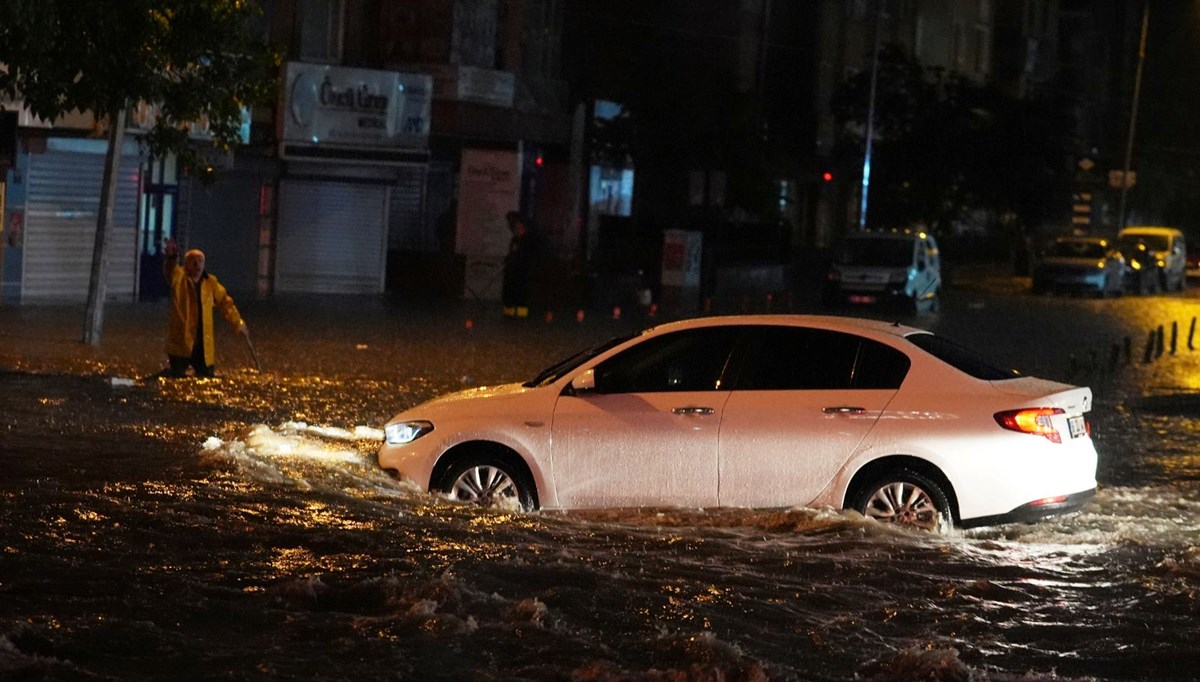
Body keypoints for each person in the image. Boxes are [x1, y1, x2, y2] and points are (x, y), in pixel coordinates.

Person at [159, 238, 249, 377]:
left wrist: (238, 323)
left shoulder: (210, 282)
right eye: (194, 261)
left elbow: (225, 303)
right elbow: (170, 270)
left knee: (207, 377)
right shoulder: (179, 278)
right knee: (177, 376)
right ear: (186, 264)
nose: (197, 265)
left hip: (202, 343)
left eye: (200, 261)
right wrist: (171, 257)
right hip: (182, 342)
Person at [501, 211, 543, 318]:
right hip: (512, 268)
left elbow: (530, 254)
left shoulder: (529, 240)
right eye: (516, 228)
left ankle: (521, 312)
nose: (518, 230)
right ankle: (509, 311)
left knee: (521, 290)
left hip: (523, 269)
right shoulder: (515, 239)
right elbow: (511, 252)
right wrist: (508, 260)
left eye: (520, 228)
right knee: (509, 289)